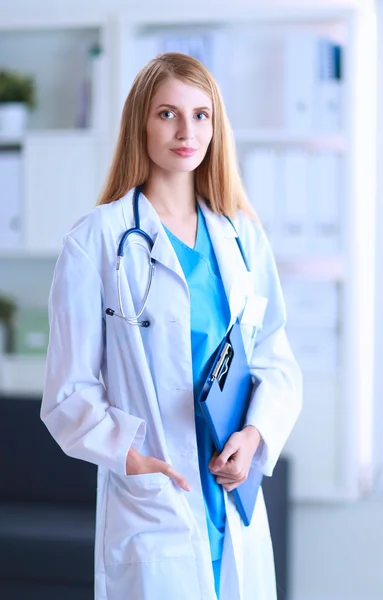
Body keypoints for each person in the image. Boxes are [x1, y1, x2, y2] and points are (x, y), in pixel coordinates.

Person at [41, 52, 302, 600]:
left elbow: (275, 358)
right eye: (168, 114)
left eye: (201, 114)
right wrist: (128, 456)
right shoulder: (97, 242)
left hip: (232, 496)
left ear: (216, 126)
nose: (187, 131)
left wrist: (256, 435)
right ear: (141, 122)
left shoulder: (242, 238)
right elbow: (68, 392)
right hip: (155, 500)